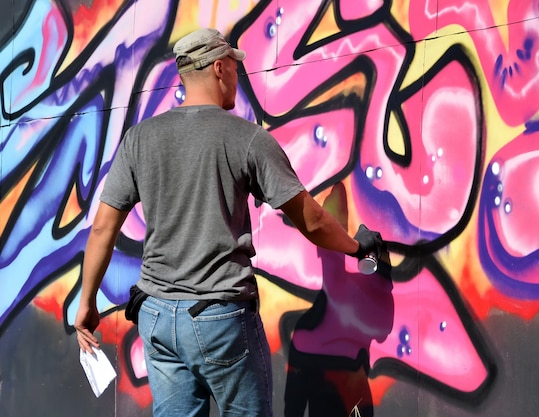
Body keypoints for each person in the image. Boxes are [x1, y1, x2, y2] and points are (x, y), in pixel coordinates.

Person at [74, 28, 384, 417]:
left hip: (156, 315)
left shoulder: (141, 139)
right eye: (236, 67)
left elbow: (103, 227)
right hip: (219, 317)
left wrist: (86, 301)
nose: (239, 75)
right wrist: (359, 247)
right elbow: (314, 220)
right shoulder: (247, 139)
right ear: (219, 68)